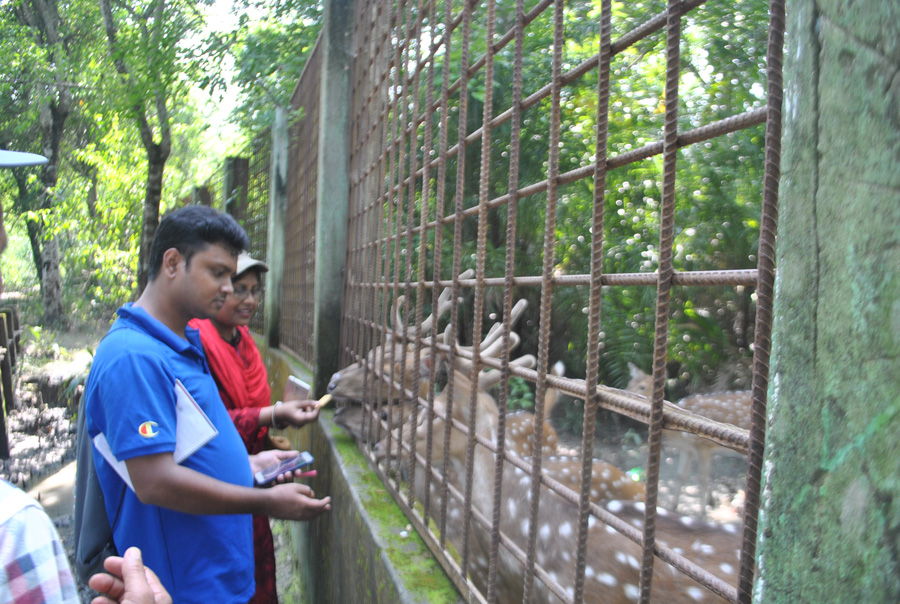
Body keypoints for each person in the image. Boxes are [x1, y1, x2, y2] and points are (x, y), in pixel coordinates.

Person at [83, 205, 330, 604]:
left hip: (218, 572)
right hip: (182, 586)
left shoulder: (180, 345)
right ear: (172, 263)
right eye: (217, 273)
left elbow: (188, 449)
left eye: (231, 277)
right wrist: (267, 501)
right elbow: (155, 481)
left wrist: (248, 466)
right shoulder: (133, 357)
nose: (229, 289)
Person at [188, 253, 319, 604]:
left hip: (252, 482)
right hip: (215, 486)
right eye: (239, 290)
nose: (250, 300)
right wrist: (271, 414)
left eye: (255, 291)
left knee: (258, 576)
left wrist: (269, 435)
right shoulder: (195, 343)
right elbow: (206, 426)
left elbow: (248, 408)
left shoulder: (244, 340)